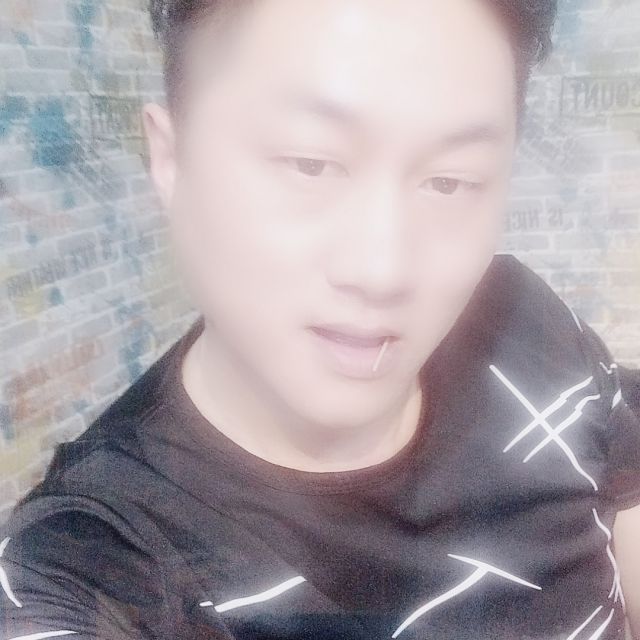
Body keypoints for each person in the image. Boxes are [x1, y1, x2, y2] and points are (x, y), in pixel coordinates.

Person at [2, 0, 639, 638]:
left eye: (450, 181)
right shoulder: (84, 569)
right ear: (171, 159)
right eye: (310, 164)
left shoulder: (525, 321)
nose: (382, 270)